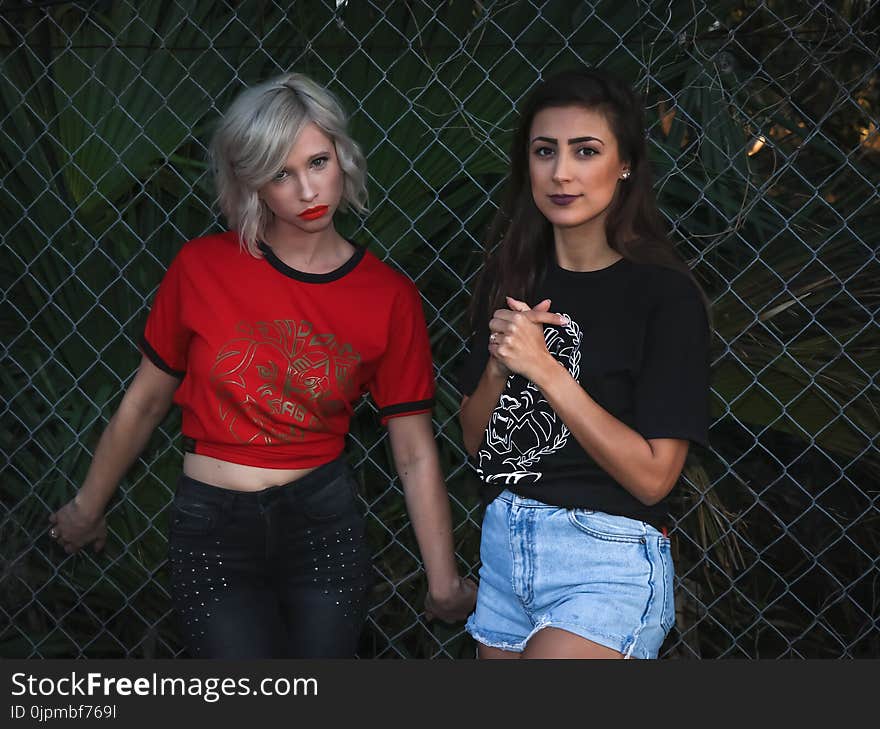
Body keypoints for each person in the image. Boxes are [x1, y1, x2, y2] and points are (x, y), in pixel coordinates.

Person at [48, 72, 476, 658]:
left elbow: (414, 448)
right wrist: (86, 508)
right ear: (252, 184)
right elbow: (145, 401)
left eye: (318, 161)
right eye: (281, 173)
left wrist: (444, 580)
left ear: (343, 158)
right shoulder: (203, 267)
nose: (307, 189)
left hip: (323, 524)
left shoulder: (388, 295)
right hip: (213, 529)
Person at [457, 68, 710, 659]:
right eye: (545, 152)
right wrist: (499, 368)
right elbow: (476, 445)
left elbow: (654, 478)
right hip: (504, 555)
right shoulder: (514, 278)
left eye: (585, 151)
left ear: (624, 165)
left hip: (605, 559)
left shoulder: (663, 297)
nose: (561, 173)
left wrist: (546, 370)